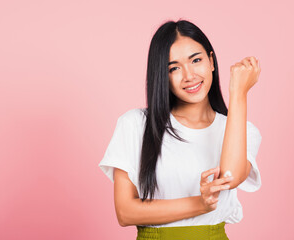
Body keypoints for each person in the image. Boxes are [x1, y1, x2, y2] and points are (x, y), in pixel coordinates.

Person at [98, 19, 262, 240]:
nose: (189, 75)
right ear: (162, 76)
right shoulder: (136, 124)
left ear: (211, 61)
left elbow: (230, 177)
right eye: (174, 68)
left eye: (196, 60)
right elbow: (125, 212)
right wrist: (200, 204)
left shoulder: (241, 130)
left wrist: (239, 93)